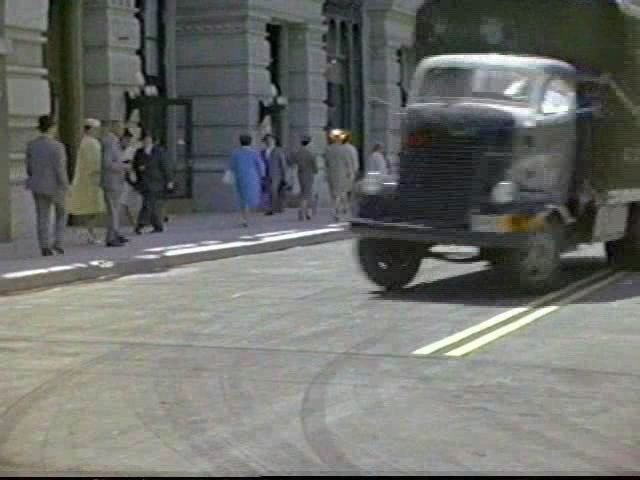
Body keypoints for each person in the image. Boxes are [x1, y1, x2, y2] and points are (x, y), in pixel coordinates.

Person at [25, 115, 70, 256]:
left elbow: (29, 166)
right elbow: (60, 169)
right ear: (52, 128)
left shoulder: (31, 145)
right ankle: (59, 242)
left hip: (37, 184)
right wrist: (66, 185)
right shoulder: (58, 147)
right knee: (61, 214)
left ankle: (44, 246)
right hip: (55, 185)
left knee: (42, 216)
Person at [67, 118, 105, 244]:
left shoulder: (86, 142)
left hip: (88, 179)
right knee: (92, 208)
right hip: (91, 180)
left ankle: (90, 232)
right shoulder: (91, 143)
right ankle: (90, 233)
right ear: (91, 129)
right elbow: (95, 162)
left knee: (91, 208)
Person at [133, 131, 174, 234]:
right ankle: (157, 225)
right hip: (144, 182)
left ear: (152, 141)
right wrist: (139, 169)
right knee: (152, 205)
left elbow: (166, 166)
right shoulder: (139, 152)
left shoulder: (159, 152)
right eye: (144, 139)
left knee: (148, 203)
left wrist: (169, 180)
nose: (146, 141)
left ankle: (141, 224)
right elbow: (135, 166)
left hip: (157, 181)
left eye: (148, 139)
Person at [100, 120, 129, 247]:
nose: (122, 130)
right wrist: (123, 166)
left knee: (116, 209)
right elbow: (107, 163)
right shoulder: (109, 142)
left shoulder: (114, 141)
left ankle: (116, 232)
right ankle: (111, 237)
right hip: (112, 181)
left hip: (116, 181)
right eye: (120, 127)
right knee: (113, 210)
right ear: (114, 128)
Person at [230, 134, 263, 227]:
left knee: (242, 198)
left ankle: (244, 218)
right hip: (252, 177)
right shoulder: (254, 153)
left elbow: (231, 166)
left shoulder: (235, 153)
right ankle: (247, 216)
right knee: (251, 196)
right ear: (250, 142)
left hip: (240, 177)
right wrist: (262, 175)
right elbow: (260, 166)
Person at [325, 129, 356, 222]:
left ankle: (339, 210)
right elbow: (351, 163)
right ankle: (337, 211)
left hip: (332, 174)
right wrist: (352, 173)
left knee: (334, 194)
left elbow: (326, 163)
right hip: (344, 174)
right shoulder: (347, 149)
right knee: (341, 194)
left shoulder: (328, 149)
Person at [289, 135, 318, 221]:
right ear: (309, 143)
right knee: (307, 194)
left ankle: (305, 212)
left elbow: (291, 161)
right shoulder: (311, 153)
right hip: (309, 175)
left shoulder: (298, 152)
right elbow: (315, 168)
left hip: (300, 174)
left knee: (303, 193)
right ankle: (303, 212)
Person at [262, 134, 288, 215]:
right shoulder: (263, 151)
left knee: (274, 191)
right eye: (266, 140)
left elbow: (283, 164)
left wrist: (284, 176)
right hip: (265, 175)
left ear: (274, 141)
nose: (268, 141)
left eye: (270, 140)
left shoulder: (278, 151)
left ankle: (272, 209)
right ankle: (272, 208)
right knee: (268, 192)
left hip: (276, 174)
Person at [120, 129, 140, 229]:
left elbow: (135, 164)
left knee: (133, 204)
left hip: (131, 180)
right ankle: (133, 223)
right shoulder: (117, 150)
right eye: (125, 139)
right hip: (120, 180)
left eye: (129, 140)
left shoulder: (133, 151)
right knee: (123, 204)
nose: (127, 141)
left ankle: (136, 224)